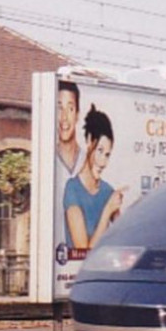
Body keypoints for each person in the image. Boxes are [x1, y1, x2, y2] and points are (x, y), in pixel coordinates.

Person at [63, 105, 125, 251]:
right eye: (100, 151)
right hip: (77, 273)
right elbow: (83, 251)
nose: (103, 161)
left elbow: (123, 240)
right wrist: (107, 211)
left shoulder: (108, 191)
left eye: (107, 155)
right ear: (90, 141)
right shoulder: (73, 189)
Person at [54, 79, 82, 251]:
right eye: (59, 108)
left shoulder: (88, 163)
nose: (64, 117)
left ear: (77, 114)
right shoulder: (50, 161)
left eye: (70, 109)